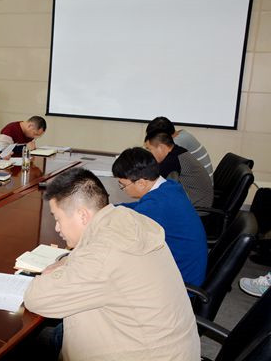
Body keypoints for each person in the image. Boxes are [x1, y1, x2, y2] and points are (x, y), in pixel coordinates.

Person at [23, 168, 200, 361]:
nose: (57, 228)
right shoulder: (126, 219)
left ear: (82, 215)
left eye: (58, 219)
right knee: (58, 333)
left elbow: (36, 298)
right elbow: (89, 260)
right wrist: (67, 260)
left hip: (147, 354)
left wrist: (53, 270)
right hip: (172, 348)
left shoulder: (103, 254)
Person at [112, 147, 207, 286]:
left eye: (123, 185)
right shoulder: (169, 187)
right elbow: (139, 207)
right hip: (186, 269)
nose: (123, 189)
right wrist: (111, 208)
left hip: (180, 282)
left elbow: (123, 234)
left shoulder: (156, 205)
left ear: (141, 183)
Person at [144, 130, 213, 209]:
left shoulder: (172, 160)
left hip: (196, 209)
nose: (149, 153)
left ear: (161, 147)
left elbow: (153, 184)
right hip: (198, 202)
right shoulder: (178, 152)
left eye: (149, 149)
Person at [147, 116, 213, 180]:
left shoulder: (178, 142)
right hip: (200, 180)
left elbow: (161, 170)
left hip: (198, 184)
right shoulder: (182, 134)